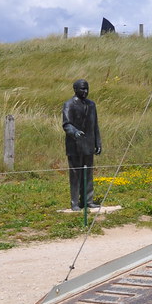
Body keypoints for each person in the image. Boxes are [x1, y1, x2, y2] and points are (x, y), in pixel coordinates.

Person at [62, 79, 102, 211]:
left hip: (88, 145)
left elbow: (95, 125)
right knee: (75, 174)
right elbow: (66, 124)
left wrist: (98, 142)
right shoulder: (69, 104)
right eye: (82, 89)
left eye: (87, 89)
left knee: (88, 173)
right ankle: (75, 202)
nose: (85, 91)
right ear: (75, 89)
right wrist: (75, 132)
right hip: (74, 146)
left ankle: (88, 200)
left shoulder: (92, 104)